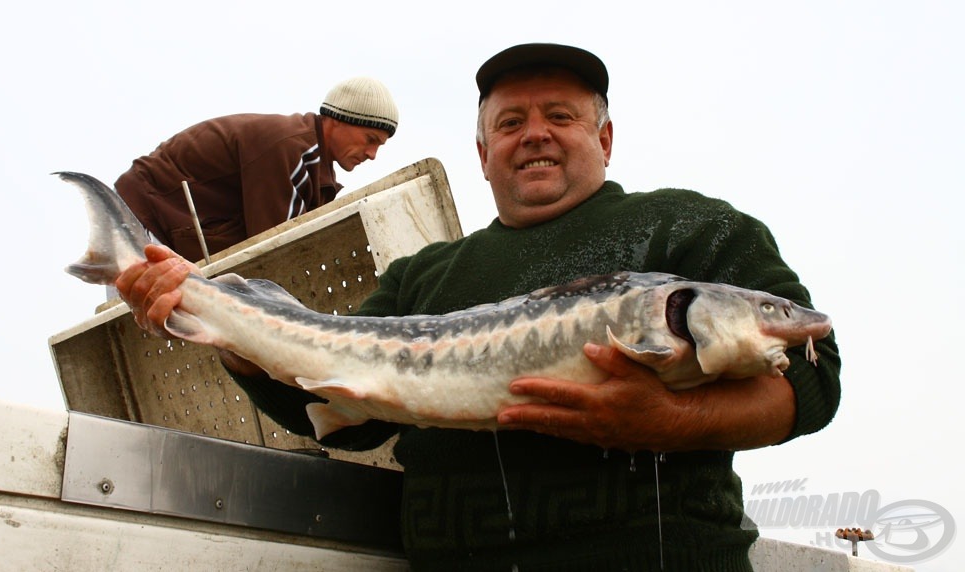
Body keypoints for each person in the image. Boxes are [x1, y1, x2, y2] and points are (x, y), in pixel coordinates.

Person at [117, 43, 841, 571]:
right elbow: (345, 420)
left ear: (605, 137)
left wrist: (672, 422)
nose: (535, 133)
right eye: (510, 122)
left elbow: (816, 380)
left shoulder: (691, 228)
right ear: (482, 149)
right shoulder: (424, 276)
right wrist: (225, 326)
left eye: (560, 115)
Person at [114, 76, 399, 262]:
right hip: (143, 220)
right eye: (369, 140)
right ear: (337, 120)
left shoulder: (312, 164)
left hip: (160, 228)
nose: (372, 155)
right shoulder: (293, 151)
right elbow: (272, 251)